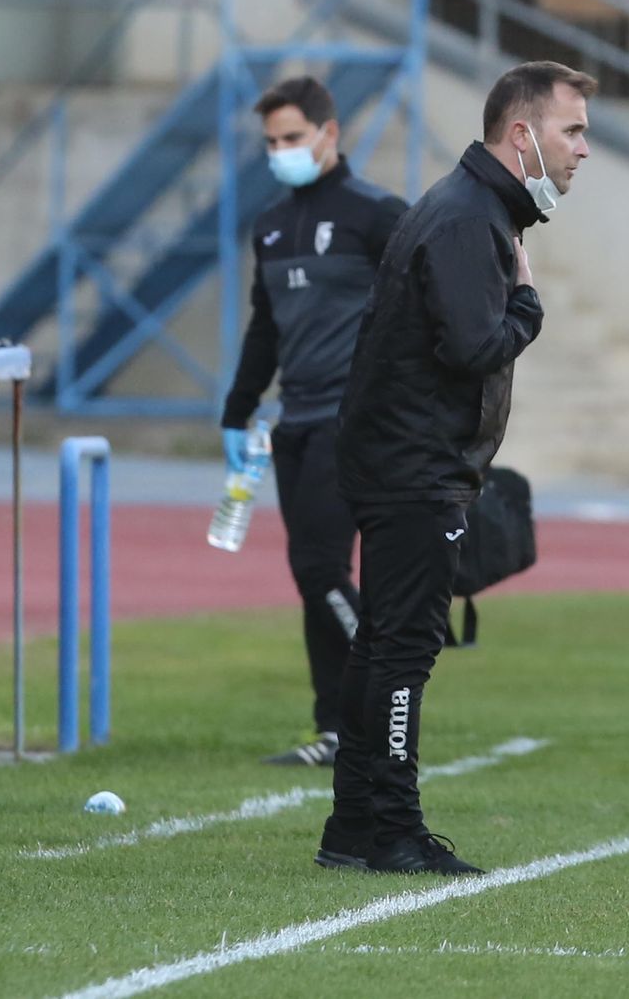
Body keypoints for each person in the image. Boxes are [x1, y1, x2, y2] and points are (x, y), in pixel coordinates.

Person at [317, 60, 595, 875]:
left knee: (381, 644)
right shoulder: (469, 218)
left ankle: (353, 827)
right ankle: (394, 830)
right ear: (522, 135)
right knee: (404, 649)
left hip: (398, 460)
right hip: (413, 468)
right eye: (571, 130)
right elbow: (472, 347)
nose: (584, 149)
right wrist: (528, 307)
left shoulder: (469, 207)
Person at [221, 76, 408, 766]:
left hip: (353, 422)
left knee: (319, 565)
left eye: (292, 138)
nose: (281, 151)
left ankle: (394, 685)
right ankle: (337, 729)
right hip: (292, 423)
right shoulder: (270, 225)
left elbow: (425, 305)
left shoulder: (379, 214)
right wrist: (237, 410)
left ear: (330, 134)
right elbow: (265, 326)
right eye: (271, 142)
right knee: (312, 577)